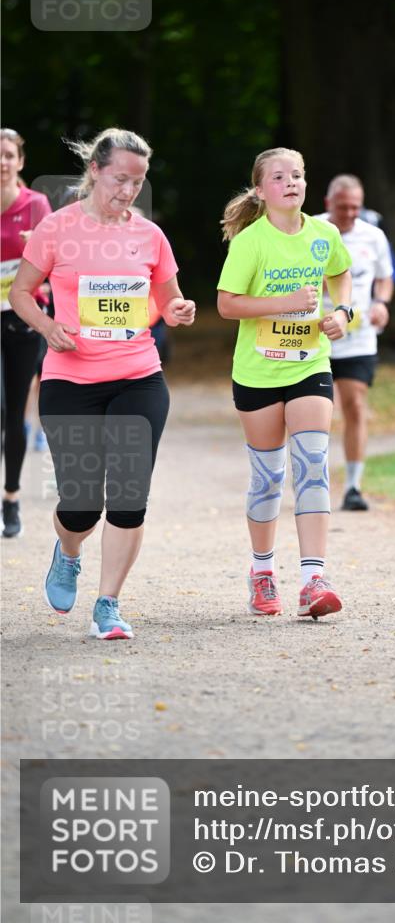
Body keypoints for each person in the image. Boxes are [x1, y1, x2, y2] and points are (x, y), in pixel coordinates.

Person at [9, 127, 195, 639]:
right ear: (94, 170)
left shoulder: (149, 236)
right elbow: (23, 291)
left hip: (139, 376)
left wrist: (177, 310)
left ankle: (108, 604)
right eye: (119, 179)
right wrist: (48, 328)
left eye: (138, 182)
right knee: (82, 503)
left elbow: (167, 300)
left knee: (130, 496)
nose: (128, 191)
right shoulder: (56, 228)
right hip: (70, 380)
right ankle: (69, 552)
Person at [217, 147, 352, 619]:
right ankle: (261, 572)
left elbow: (341, 272)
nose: (291, 182)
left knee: (313, 464)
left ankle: (314, 578)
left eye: (297, 174)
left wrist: (341, 312)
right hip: (257, 371)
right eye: (279, 176)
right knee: (269, 477)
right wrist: (283, 302)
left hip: (309, 363)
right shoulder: (251, 242)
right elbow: (227, 304)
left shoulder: (324, 233)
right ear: (260, 189)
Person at [317, 174, 393, 511]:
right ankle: (311, 484)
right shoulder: (311, 231)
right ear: (328, 204)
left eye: (356, 208)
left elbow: (385, 278)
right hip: (313, 336)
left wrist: (381, 303)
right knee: (314, 415)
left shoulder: (373, 236)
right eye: (343, 207)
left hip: (359, 338)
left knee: (355, 406)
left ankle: (353, 486)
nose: (350, 214)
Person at [1, 128, 52, 537]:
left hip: (22, 321)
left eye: (8, 155)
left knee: (14, 412)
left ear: (20, 162)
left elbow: (55, 261)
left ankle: (12, 496)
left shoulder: (36, 206)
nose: (2, 163)